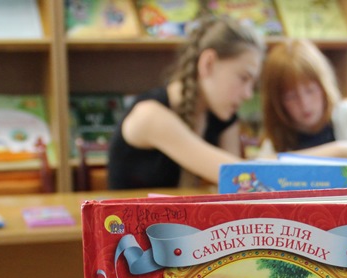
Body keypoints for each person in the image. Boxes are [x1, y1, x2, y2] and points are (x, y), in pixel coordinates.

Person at [107, 15, 264, 189]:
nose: (248, 94)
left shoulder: (224, 117)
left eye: (253, 84)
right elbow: (238, 175)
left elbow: (238, 186)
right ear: (208, 63)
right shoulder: (149, 115)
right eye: (243, 78)